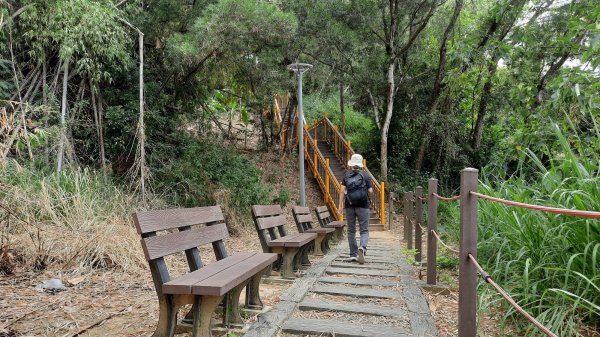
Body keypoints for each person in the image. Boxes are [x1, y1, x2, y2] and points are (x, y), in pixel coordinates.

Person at [338, 153, 373, 264]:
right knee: (364, 230)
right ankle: (362, 248)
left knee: (351, 230)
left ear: (351, 164)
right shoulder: (366, 175)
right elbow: (371, 191)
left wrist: (340, 206)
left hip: (349, 205)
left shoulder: (346, 175)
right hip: (363, 206)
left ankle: (353, 254)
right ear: (361, 164)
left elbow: (342, 191)